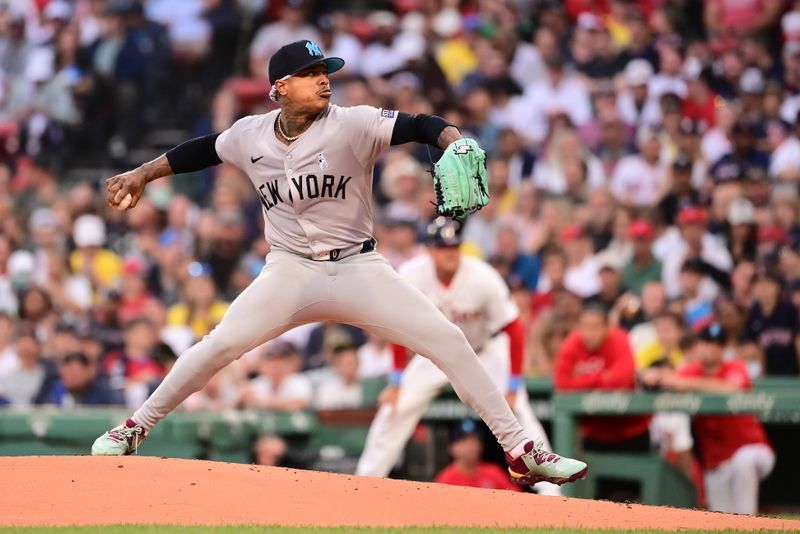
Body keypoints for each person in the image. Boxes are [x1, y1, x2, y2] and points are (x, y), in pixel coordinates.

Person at [91, 40, 586, 487]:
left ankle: (521, 450)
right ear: (279, 88)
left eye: (326, 70)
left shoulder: (353, 123)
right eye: (311, 73)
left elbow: (419, 125)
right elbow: (200, 151)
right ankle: (134, 428)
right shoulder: (250, 135)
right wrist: (143, 173)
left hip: (358, 269)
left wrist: (453, 139)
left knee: (448, 339)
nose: (324, 78)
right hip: (289, 271)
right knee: (218, 345)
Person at [356, 219, 564, 494]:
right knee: (394, 406)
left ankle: (551, 491)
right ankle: (363, 482)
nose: (449, 252)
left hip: (484, 351)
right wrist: (395, 382)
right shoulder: (410, 274)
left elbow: (514, 329)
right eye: (442, 247)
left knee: (518, 410)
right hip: (436, 353)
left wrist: (513, 386)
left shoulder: (482, 277)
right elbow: (397, 325)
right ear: (429, 250)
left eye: (454, 246)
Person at [648, 325, 775, 515]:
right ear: (698, 345)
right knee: (720, 518)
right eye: (707, 343)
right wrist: (654, 375)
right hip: (717, 462)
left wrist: (685, 383)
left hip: (754, 449)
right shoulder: (691, 370)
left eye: (718, 344)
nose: (712, 348)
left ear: (724, 348)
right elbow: (667, 380)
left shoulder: (735, 366)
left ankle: (750, 523)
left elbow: (732, 388)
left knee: (744, 461)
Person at [554, 305, 651, 451]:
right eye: (585, 326)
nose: (589, 333)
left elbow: (622, 381)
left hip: (631, 429)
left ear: (607, 328)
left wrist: (581, 381)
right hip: (594, 433)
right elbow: (562, 384)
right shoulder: (571, 344)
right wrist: (601, 378)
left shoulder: (619, 339)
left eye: (595, 327)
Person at [434, 420, 523, 493]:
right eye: (465, 441)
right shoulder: (446, 478)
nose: (471, 447)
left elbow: (516, 498)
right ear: (452, 448)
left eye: (474, 441)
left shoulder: (494, 473)